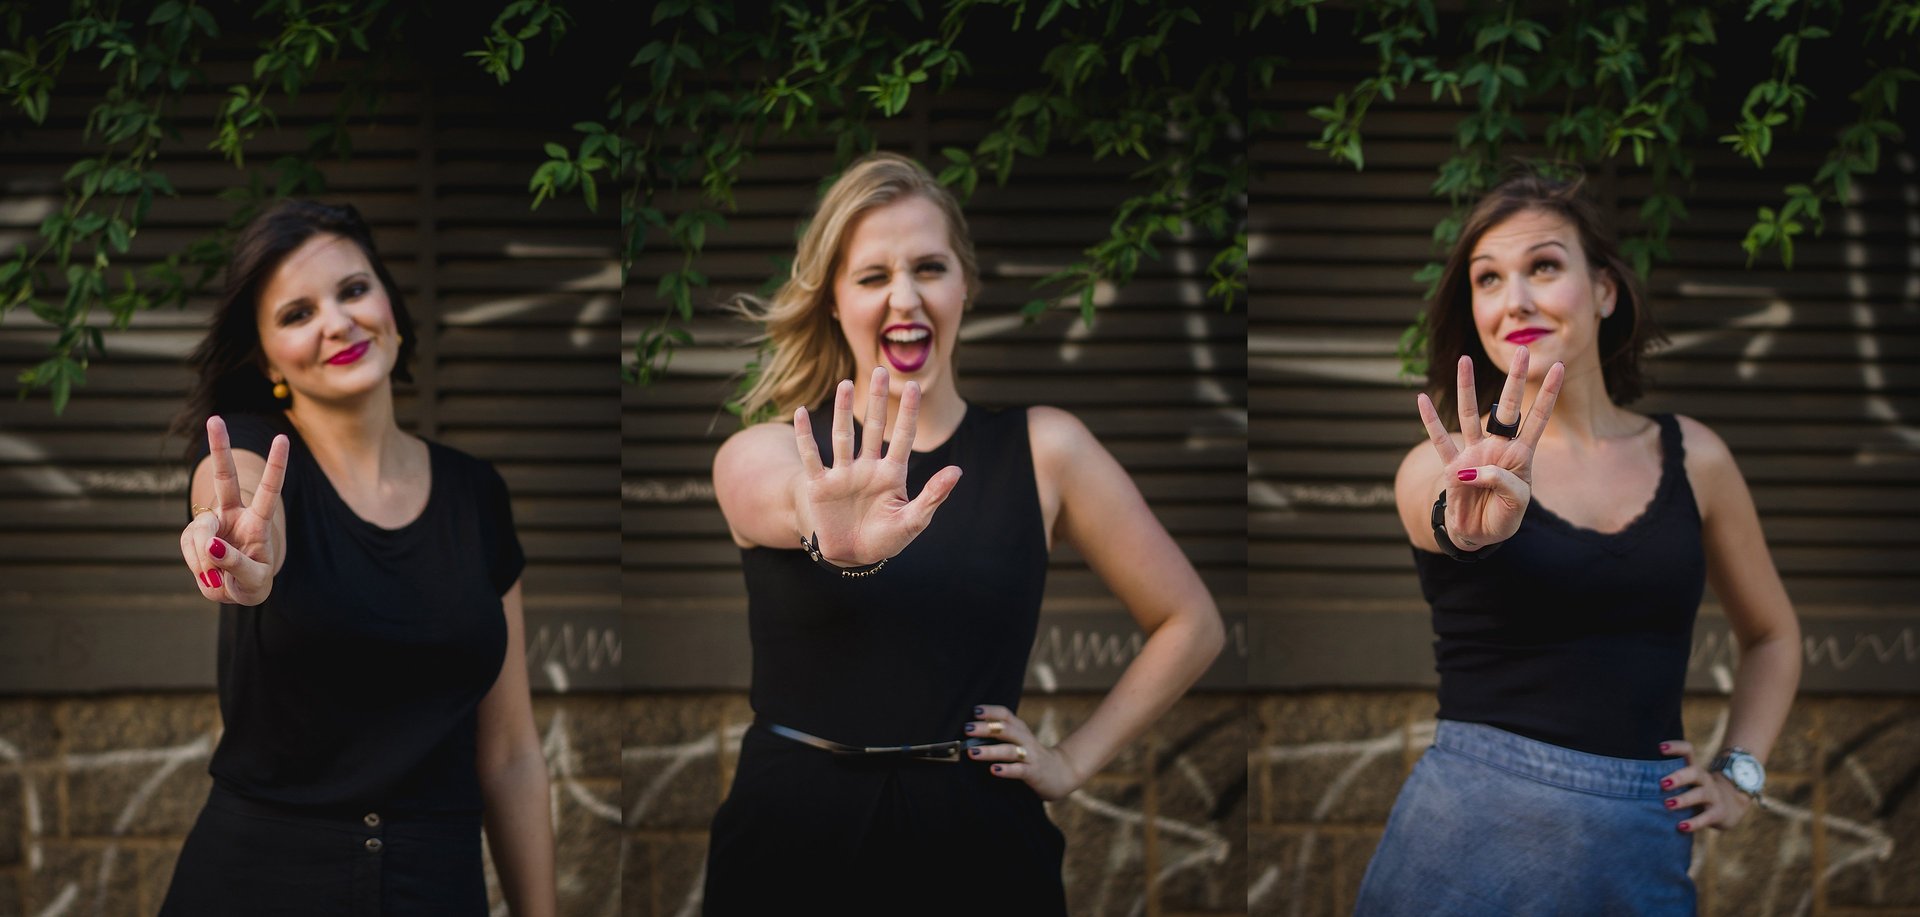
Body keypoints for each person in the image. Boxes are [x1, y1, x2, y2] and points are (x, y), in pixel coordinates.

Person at [702, 152, 1226, 912]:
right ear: (834, 301)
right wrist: (823, 525)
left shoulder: (1047, 449)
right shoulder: (772, 451)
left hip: (980, 842)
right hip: (792, 837)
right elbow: (777, 496)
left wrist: (1071, 761)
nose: (904, 297)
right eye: (873, 276)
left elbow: (1192, 622)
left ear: (965, 286)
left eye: (929, 267)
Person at [1354, 171, 1802, 916]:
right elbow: (1444, 518)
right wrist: (1468, 524)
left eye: (1545, 267)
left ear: (1605, 290)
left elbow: (1774, 633)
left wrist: (1740, 775)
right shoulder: (1444, 466)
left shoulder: (1699, 457)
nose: (1515, 299)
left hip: (1638, 846)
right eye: (1488, 279)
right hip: (1463, 845)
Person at [159, 201, 555, 916]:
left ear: (390, 306)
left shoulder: (477, 494)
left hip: (436, 886)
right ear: (265, 357)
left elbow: (511, 754)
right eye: (296, 314)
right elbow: (243, 501)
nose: (337, 323)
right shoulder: (253, 452)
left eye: (352, 290)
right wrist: (238, 545)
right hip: (258, 884)